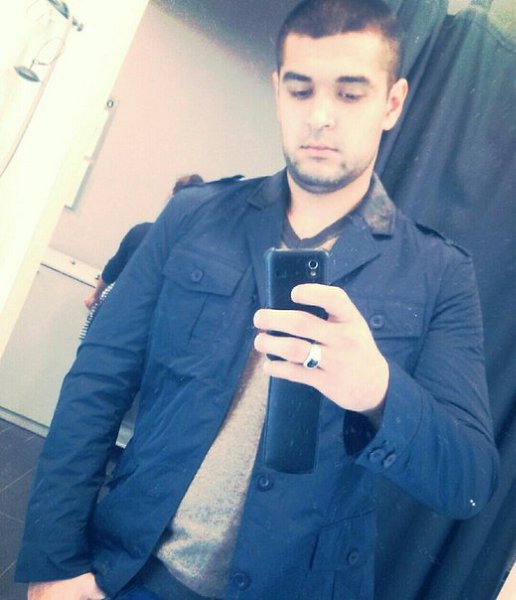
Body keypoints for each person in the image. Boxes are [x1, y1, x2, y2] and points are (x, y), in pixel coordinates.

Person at [16, 1, 499, 599]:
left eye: (350, 94)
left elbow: (468, 483)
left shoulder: (439, 274)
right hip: (131, 573)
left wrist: (378, 390)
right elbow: (95, 386)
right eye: (301, 90)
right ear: (277, 92)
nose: (320, 116)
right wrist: (55, 562)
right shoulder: (192, 218)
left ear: (392, 103)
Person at [83, 174, 204, 311]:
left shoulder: (140, 233)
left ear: (171, 198)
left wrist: (95, 295)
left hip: (120, 309)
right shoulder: (194, 252)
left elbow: (112, 270)